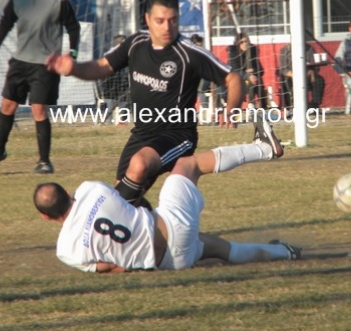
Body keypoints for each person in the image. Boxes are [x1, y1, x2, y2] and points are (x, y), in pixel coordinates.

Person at [46, 0, 243, 208]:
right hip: (141, 134)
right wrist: (74, 69)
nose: (167, 27)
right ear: (147, 19)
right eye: (160, 21)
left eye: (173, 20)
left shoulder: (189, 53)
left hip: (177, 135)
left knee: (138, 166)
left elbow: (234, 78)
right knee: (126, 200)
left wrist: (231, 109)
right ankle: (152, 234)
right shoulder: (135, 44)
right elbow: (102, 67)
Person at [34, 114, 299, 273]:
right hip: (169, 227)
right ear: (69, 193)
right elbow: (131, 201)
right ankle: (265, 148)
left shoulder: (65, 251)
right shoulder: (89, 189)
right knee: (187, 164)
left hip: (168, 262)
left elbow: (114, 268)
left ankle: (285, 253)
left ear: (46, 218)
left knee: (217, 247)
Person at [0, 0, 81, 174]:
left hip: (45, 64)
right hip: (20, 62)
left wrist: (72, 54)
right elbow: (5, 22)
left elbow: (73, 26)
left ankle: (44, 161)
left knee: (39, 110)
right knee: (7, 105)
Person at [279, 42, 325, 109]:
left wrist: (311, 72)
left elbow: (315, 66)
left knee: (319, 80)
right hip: (291, 75)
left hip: (306, 75)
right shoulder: (285, 50)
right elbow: (283, 69)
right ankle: (291, 106)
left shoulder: (309, 48)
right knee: (284, 80)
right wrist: (296, 75)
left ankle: (315, 105)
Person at [191, 34, 227, 122]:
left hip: (207, 77)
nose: (199, 47)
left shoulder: (205, 53)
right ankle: (205, 110)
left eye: (200, 45)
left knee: (218, 83)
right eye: (197, 45)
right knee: (201, 89)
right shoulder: (189, 54)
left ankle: (220, 108)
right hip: (195, 80)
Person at [228, 32, 268, 110]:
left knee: (258, 80)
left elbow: (261, 70)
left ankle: (264, 107)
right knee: (250, 80)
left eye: (246, 41)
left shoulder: (252, 53)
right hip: (237, 80)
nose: (244, 44)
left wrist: (253, 70)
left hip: (252, 80)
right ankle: (251, 104)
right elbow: (235, 70)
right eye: (242, 42)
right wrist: (248, 75)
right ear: (238, 43)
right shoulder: (233, 53)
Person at [99, 34, 130, 122]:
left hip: (118, 84)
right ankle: (119, 121)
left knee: (121, 104)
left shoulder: (126, 54)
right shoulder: (110, 54)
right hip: (112, 85)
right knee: (116, 104)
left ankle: (118, 122)